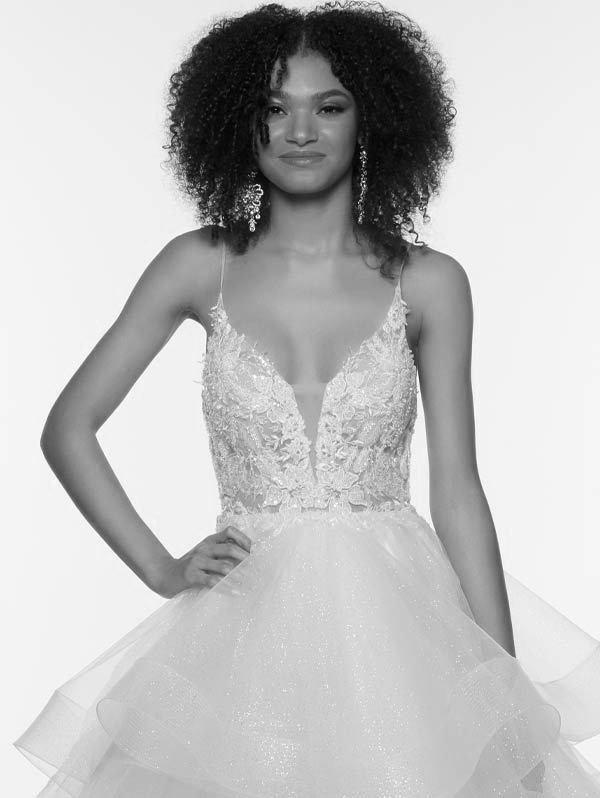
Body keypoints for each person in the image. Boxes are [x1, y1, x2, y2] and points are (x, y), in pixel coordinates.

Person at [14, 2, 600, 796]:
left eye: (329, 107)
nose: (299, 131)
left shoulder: (431, 283)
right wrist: (160, 567)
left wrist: (504, 692)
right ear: (237, 122)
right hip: (241, 630)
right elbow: (68, 428)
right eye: (273, 107)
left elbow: (458, 491)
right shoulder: (197, 265)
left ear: (371, 121)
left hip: (401, 630)